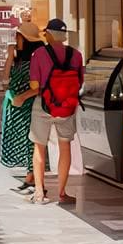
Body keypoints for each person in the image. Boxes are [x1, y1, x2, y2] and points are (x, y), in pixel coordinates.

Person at [27, 19, 85, 205]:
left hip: (43, 104)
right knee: (65, 147)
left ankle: (39, 192)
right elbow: (80, 82)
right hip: (67, 106)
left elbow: (35, 85)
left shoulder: (39, 54)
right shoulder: (76, 55)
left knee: (39, 146)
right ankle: (62, 192)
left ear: (50, 34)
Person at [0, 22, 44, 191]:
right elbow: (6, 78)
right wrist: (10, 56)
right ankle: (30, 176)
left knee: (30, 141)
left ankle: (32, 177)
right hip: (16, 106)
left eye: (17, 36)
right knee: (23, 140)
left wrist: (22, 97)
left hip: (29, 106)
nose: (15, 39)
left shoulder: (37, 58)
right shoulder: (19, 58)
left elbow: (39, 85)